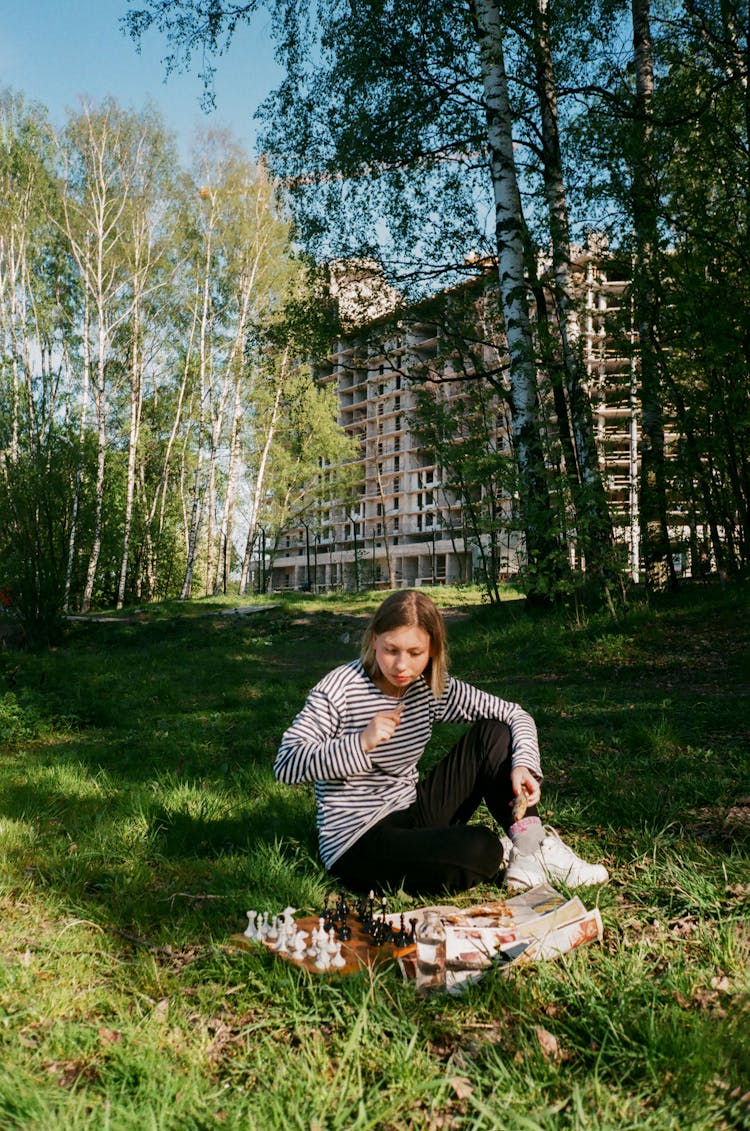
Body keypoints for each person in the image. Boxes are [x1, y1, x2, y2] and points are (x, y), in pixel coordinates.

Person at [274, 590, 608, 895]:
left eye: (414, 652)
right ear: (374, 641)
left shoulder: (431, 688)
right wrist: (359, 744)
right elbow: (286, 765)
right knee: (483, 848)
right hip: (357, 841)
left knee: (494, 732)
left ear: (432, 649)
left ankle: (533, 849)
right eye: (390, 650)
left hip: (412, 811)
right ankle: (501, 853)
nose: (401, 665)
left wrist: (523, 765)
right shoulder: (339, 689)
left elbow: (514, 714)